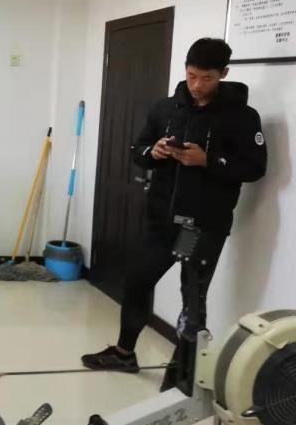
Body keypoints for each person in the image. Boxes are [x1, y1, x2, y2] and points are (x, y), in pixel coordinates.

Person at [82, 38, 266, 374]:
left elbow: (255, 168)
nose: (197, 85)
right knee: (137, 281)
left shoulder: (242, 116)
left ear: (223, 74)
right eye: (192, 75)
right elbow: (138, 149)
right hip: (161, 220)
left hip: (204, 226)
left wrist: (208, 160)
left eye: (207, 78)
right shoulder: (166, 108)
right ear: (185, 69)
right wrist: (152, 153)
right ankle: (124, 354)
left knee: (192, 299)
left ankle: (185, 374)